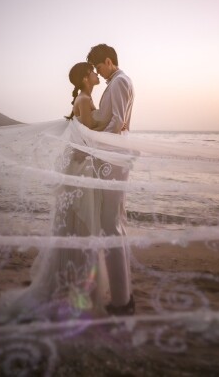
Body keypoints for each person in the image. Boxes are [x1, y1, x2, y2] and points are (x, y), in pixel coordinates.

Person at [0, 62, 109, 322]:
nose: (95, 74)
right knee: (81, 223)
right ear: (84, 77)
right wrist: (116, 123)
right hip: (80, 167)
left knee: (77, 224)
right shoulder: (85, 99)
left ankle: (73, 281)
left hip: (79, 166)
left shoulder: (84, 98)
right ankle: (76, 285)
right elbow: (91, 134)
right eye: (92, 71)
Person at [86, 43, 135, 316]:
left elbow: (116, 123)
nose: (100, 74)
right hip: (115, 157)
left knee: (110, 227)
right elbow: (118, 123)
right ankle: (123, 296)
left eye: (100, 67)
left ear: (109, 60)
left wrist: (91, 146)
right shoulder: (119, 81)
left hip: (113, 159)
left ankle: (121, 302)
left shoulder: (118, 82)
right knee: (114, 225)